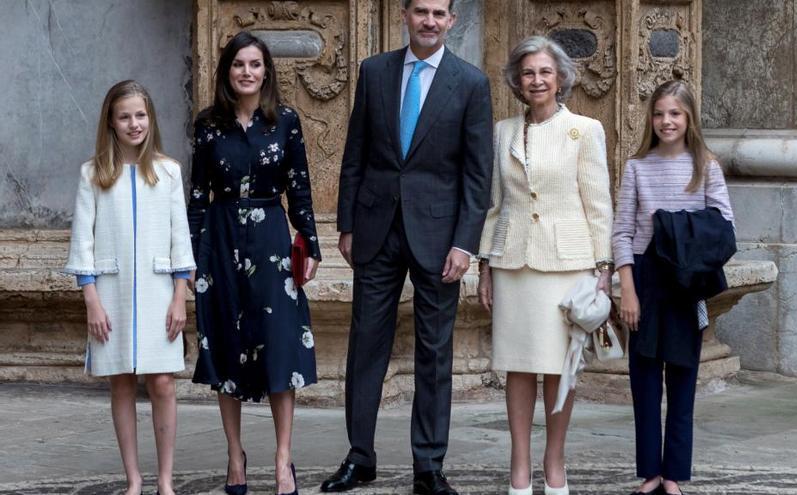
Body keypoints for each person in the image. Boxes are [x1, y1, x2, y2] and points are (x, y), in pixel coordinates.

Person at [321, 0, 493, 493]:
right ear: (405, 14)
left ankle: (429, 466)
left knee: (434, 353)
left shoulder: (471, 83)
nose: (430, 21)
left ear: (452, 21)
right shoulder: (374, 72)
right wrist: (348, 223)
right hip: (376, 231)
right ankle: (360, 456)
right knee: (365, 346)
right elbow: (355, 152)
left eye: (440, 13)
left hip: (439, 239)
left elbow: (477, 176)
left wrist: (466, 243)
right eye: (421, 11)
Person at [476, 36, 614, 495]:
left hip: (567, 265)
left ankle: (554, 462)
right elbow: (494, 204)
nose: (537, 80)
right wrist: (486, 265)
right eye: (529, 73)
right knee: (517, 366)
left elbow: (598, 204)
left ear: (560, 79)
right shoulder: (502, 132)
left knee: (560, 367)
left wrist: (604, 270)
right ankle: (519, 465)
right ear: (517, 80)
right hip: (514, 261)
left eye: (545, 72)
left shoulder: (585, 130)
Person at [187, 31, 321, 495]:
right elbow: (198, 195)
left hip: (270, 237)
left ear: (267, 71)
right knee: (225, 343)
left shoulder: (285, 121)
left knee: (280, 344)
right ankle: (235, 456)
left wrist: (311, 243)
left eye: (255, 64)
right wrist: (191, 255)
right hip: (220, 240)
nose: (247, 72)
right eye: (239, 64)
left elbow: (299, 186)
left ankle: (284, 461)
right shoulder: (208, 125)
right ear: (227, 71)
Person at [64, 80, 195, 495]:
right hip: (111, 293)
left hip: (161, 294)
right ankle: (134, 480)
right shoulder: (93, 174)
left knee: (162, 383)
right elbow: (82, 240)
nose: (134, 123)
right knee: (120, 380)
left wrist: (180, 297)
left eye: (140, 115)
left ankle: (166, 480)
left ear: (150, 119)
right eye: (124, 116)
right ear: (111, 122)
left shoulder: (169, 172)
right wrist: (92, 302)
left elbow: (181, 237)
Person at [612, 80, 734, 495]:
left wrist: (680, 234)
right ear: (651, 118)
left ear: (689, 119)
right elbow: (622, 232)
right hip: (646, 278)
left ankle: (674, 475)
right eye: (660, 113)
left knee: (682, 379)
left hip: (687, 281)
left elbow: (724, 226)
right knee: (644, 380)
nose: (667, 121)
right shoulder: (637, 167)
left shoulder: (706, 166)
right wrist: (627, 289)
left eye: (675, 114)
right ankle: (649, 472)